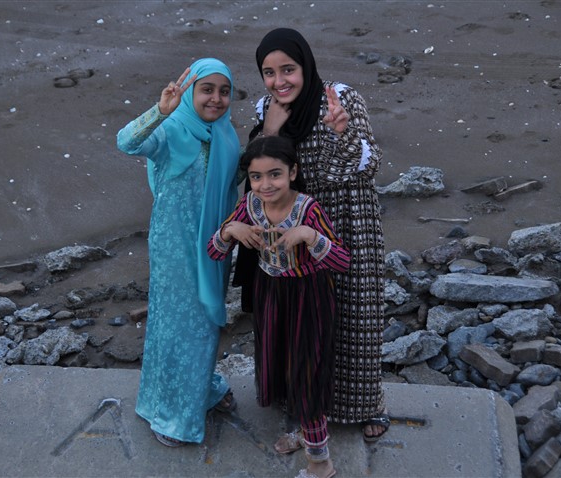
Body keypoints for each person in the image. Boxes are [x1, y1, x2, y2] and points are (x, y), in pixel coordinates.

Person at [233, 27, 390, 446]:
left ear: (305, 65)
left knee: (354, 315)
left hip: (348, 219)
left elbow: (368, 164)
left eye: (288, 69)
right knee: (299, 319)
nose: (279, 81)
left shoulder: (341, 98)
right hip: (291, 226)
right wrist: (269, 128)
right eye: (269, 72)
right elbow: (258, 167)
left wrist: (342, 132)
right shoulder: (269, 107)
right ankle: (303, 404)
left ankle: (366, 405)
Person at [208, 135, 349, 478]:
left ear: (293, 172)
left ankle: (321, 464)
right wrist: (230, 230)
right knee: (285, 365)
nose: (266, 184)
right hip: (270, 295)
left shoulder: (308, 209)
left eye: (275, 174)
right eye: (256, 177)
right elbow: (213, 252)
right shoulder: (250, 205)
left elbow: (343, 261)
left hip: (309, 299)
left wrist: (309, 236)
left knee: (308, 373)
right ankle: (305, 430)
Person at [116, 58, 240, 447]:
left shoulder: (225, 135)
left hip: (215, 248)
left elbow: (238, 180)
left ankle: (200, 390)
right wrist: (160, 110)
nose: (216, 99)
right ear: (190, 93)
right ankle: (171, 416)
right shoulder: (170, 131)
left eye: (224, 91)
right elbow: (126, 142)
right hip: (174, 247)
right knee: (177, 327)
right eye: (207, 90)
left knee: (205, 325)